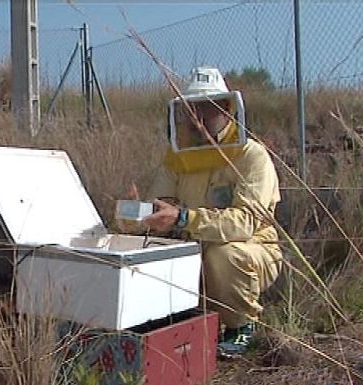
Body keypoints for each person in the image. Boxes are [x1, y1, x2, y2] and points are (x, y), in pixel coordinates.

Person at [119, 66, 284, 356]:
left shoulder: (250, 155)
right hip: (193, 247)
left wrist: (184, 218)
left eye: (209, 108)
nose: (199, 117)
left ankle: (241, 325)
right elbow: (161, 207)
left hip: (252, 248)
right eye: (193, 109)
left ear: (227, 109)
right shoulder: (178, 157)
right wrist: (134, 212)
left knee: (225, 255)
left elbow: (244, 224)